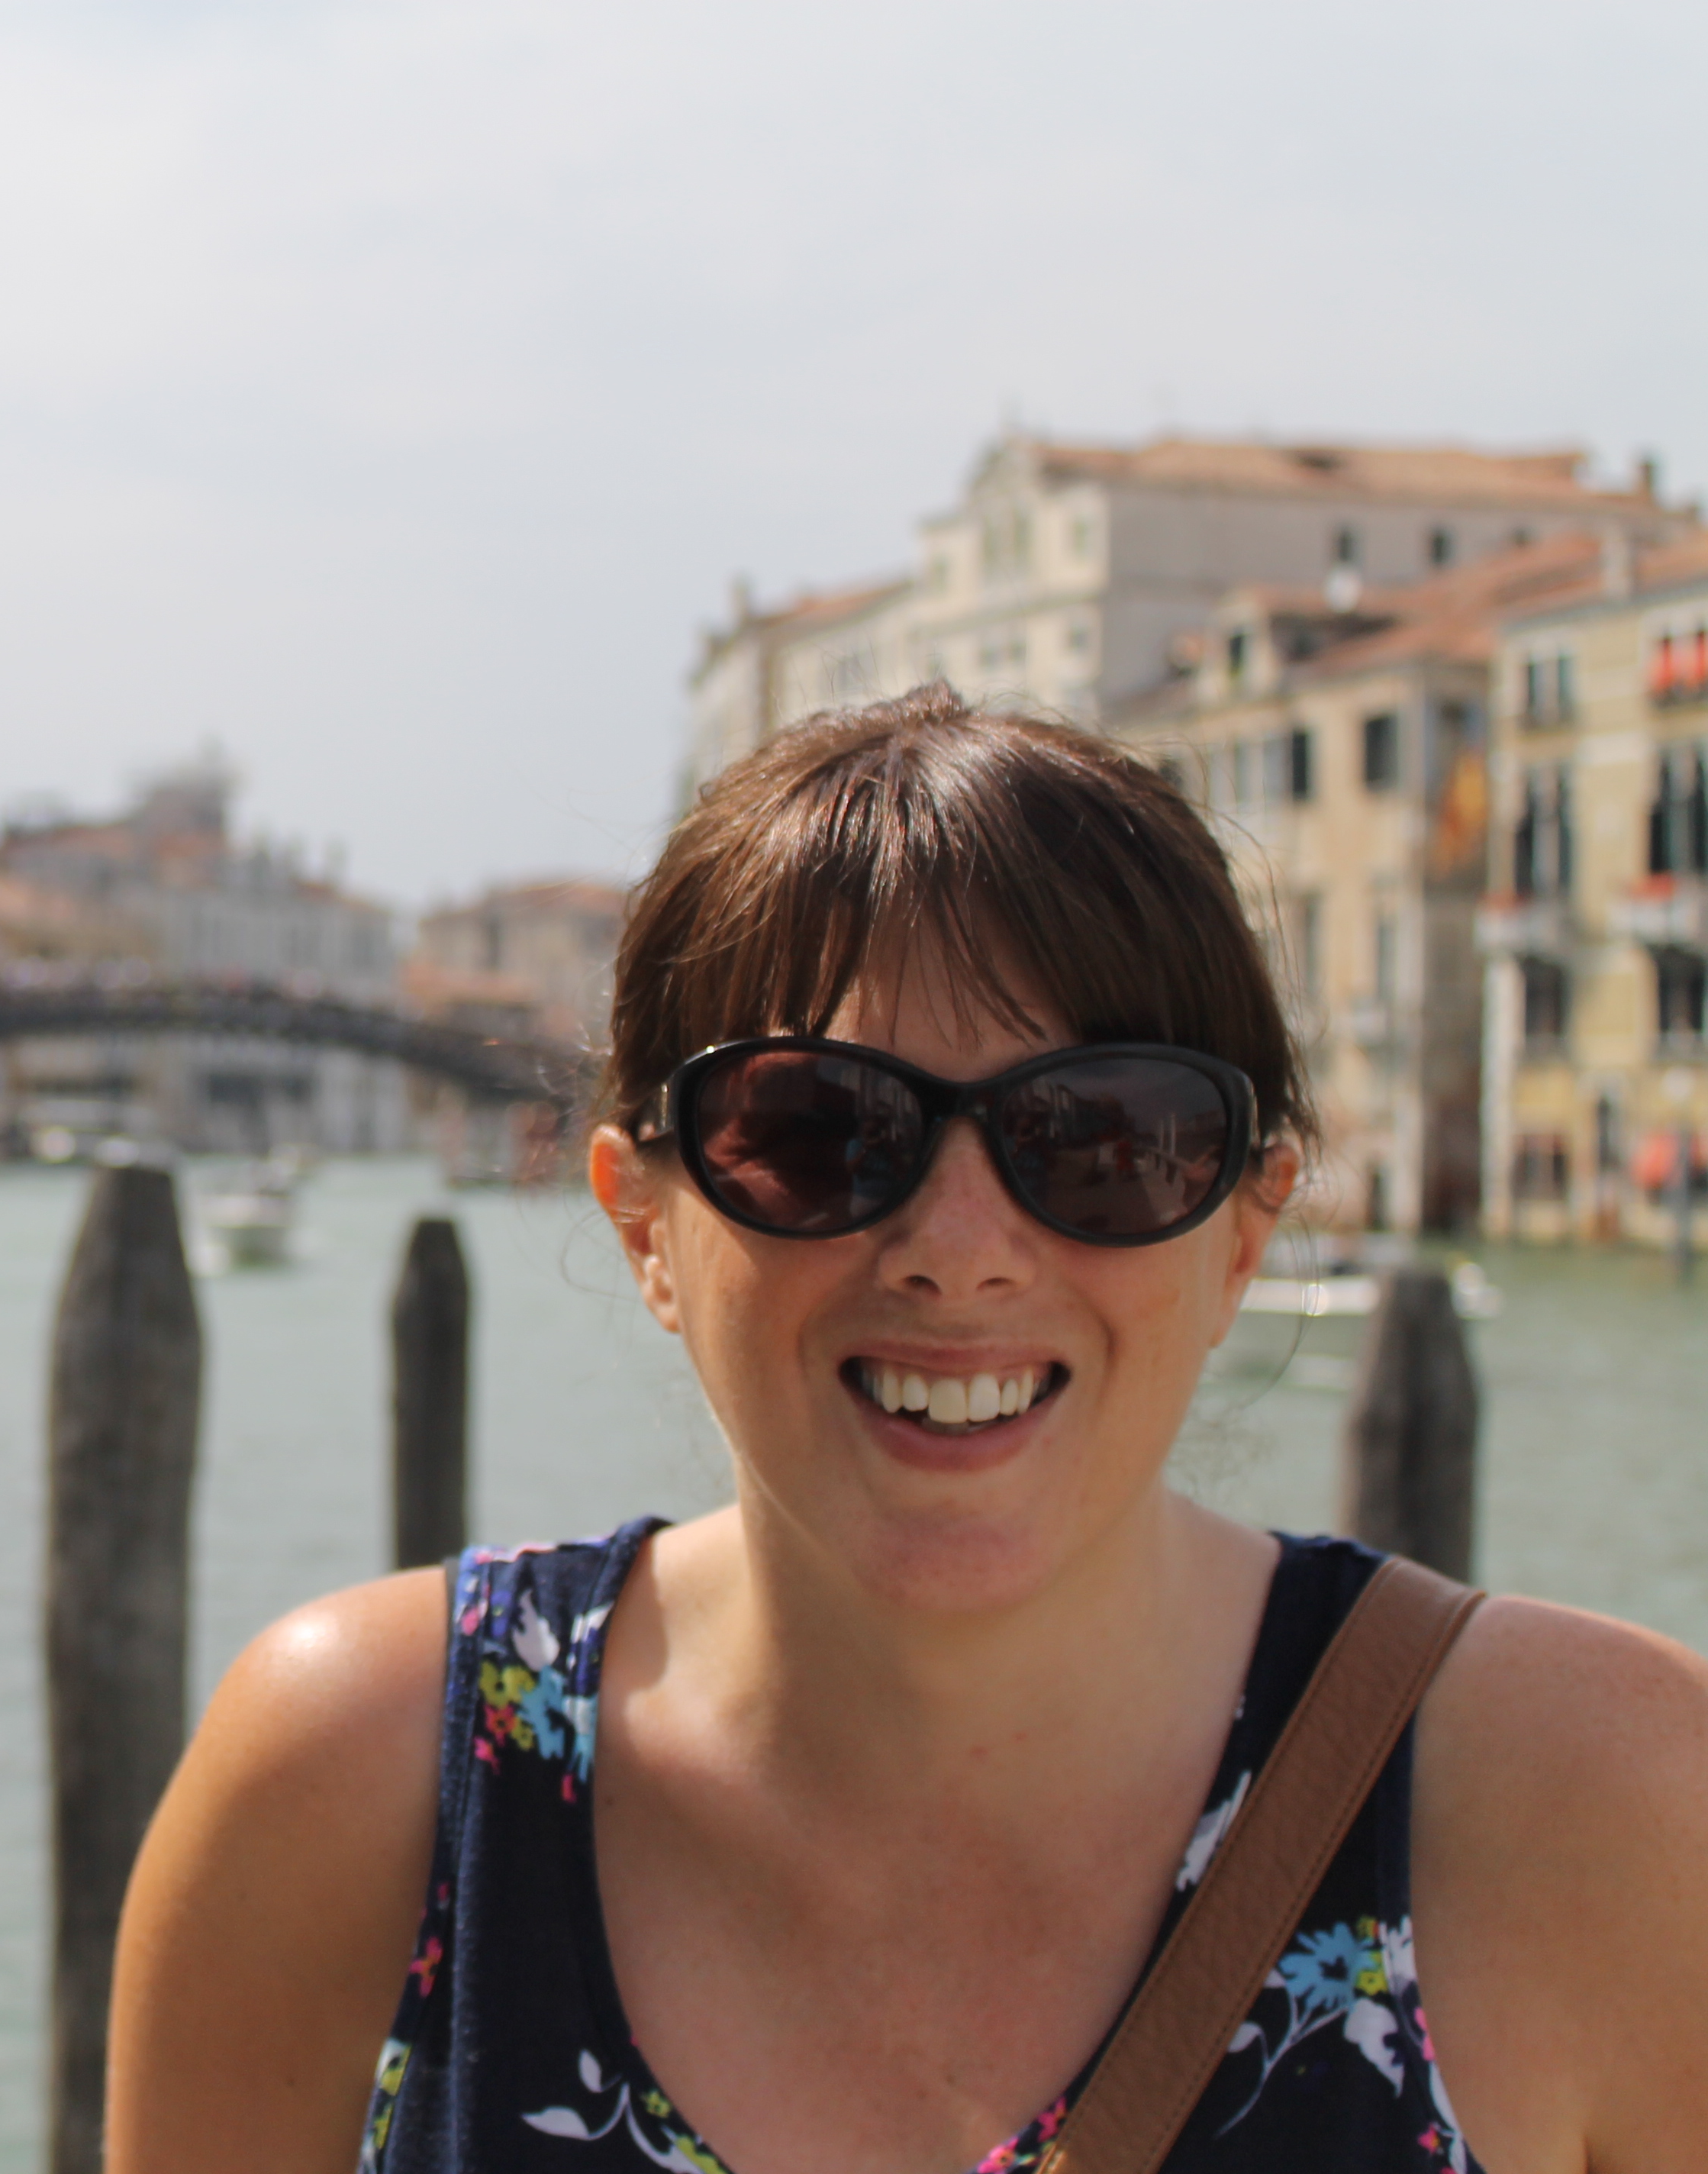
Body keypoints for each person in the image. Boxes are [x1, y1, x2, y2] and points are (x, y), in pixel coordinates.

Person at [109, 689, 1708, 2173]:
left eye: (1104, 1138)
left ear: (1240, 1228)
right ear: (645, 1221)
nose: (959, 1248)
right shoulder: (351, 1785)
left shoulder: (1608, 1804)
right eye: (818, 1131)